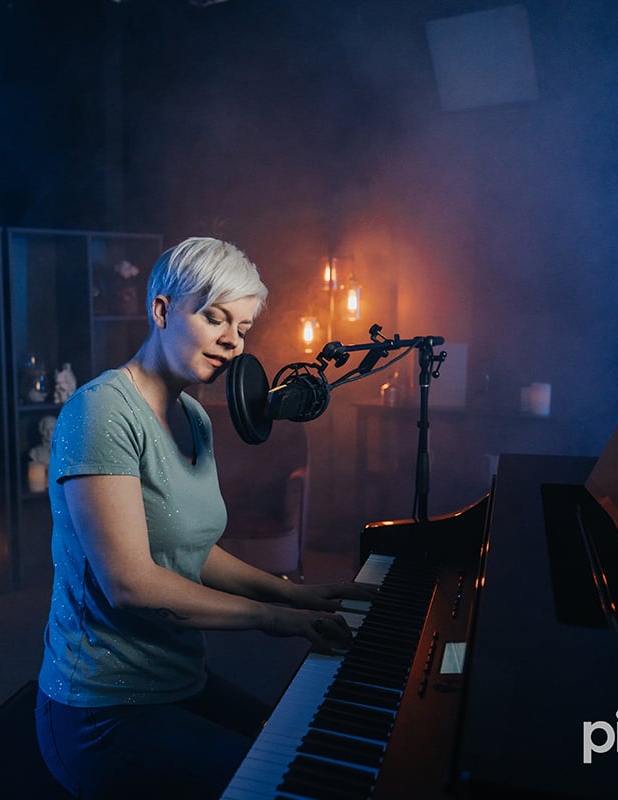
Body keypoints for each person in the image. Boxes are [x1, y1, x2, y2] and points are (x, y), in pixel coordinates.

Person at [35, 236, 375, 799]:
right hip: (101, 710)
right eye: (215, 317)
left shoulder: (194, 416)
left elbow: (191, 549)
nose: (231, 342)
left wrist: (296, 595)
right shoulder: (99, 412)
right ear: (162, 310)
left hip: (179, 680)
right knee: (283, 787)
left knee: (299, 749)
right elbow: (131, 583)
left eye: (242, 328)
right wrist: (271, 618)